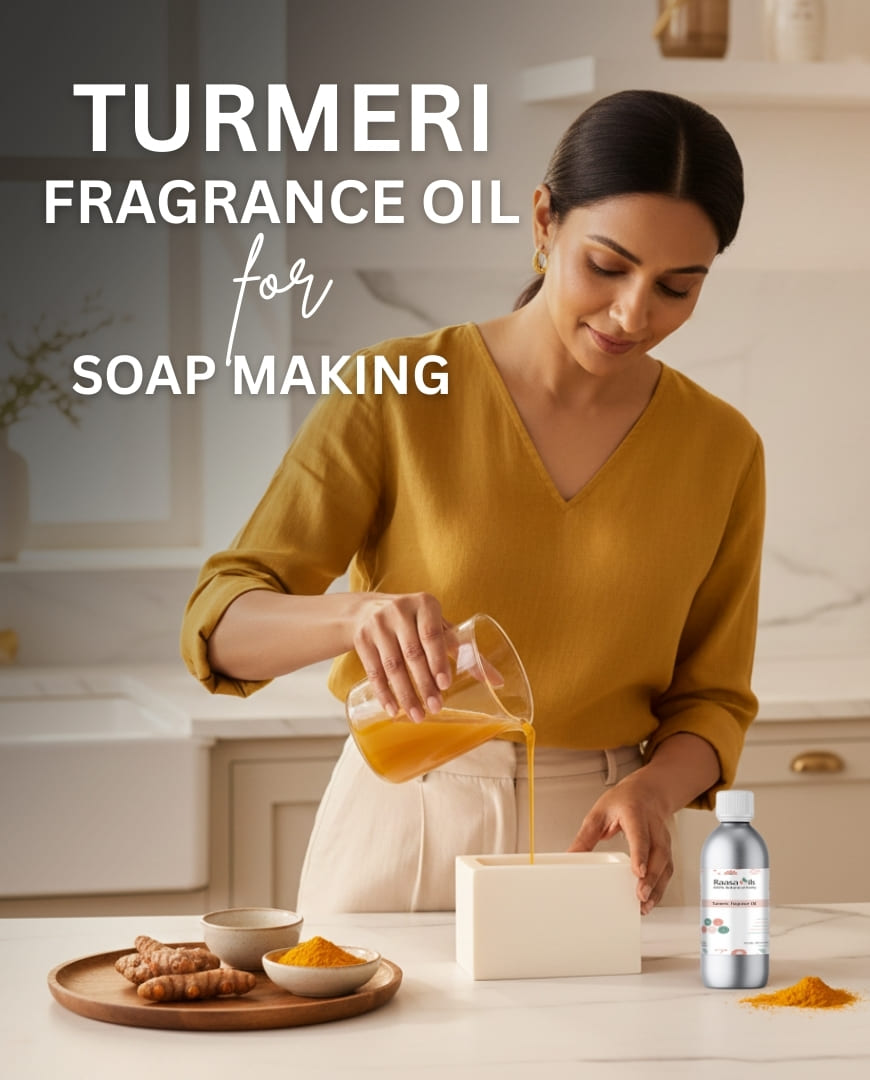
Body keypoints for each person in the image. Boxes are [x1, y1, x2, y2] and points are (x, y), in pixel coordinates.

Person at [181, 89, 765, 915]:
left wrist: (657, 790)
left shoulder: (722, 448)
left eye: (677, 287)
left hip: (600, 841)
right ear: (543, 222)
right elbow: (219, 624)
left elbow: (714, 698)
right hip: (404, 817)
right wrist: (354, 618)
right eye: (607, 266)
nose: (633, 313)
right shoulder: (394, 394)